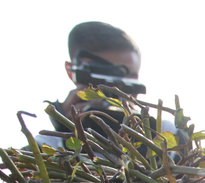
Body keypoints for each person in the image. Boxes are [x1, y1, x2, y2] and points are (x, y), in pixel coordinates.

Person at [37, 22, 144, 150]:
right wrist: (66, 132)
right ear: (71, 72)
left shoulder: (163, 134)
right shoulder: (41, 148)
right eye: (102, 81)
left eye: (129, 82)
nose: (115, 92)